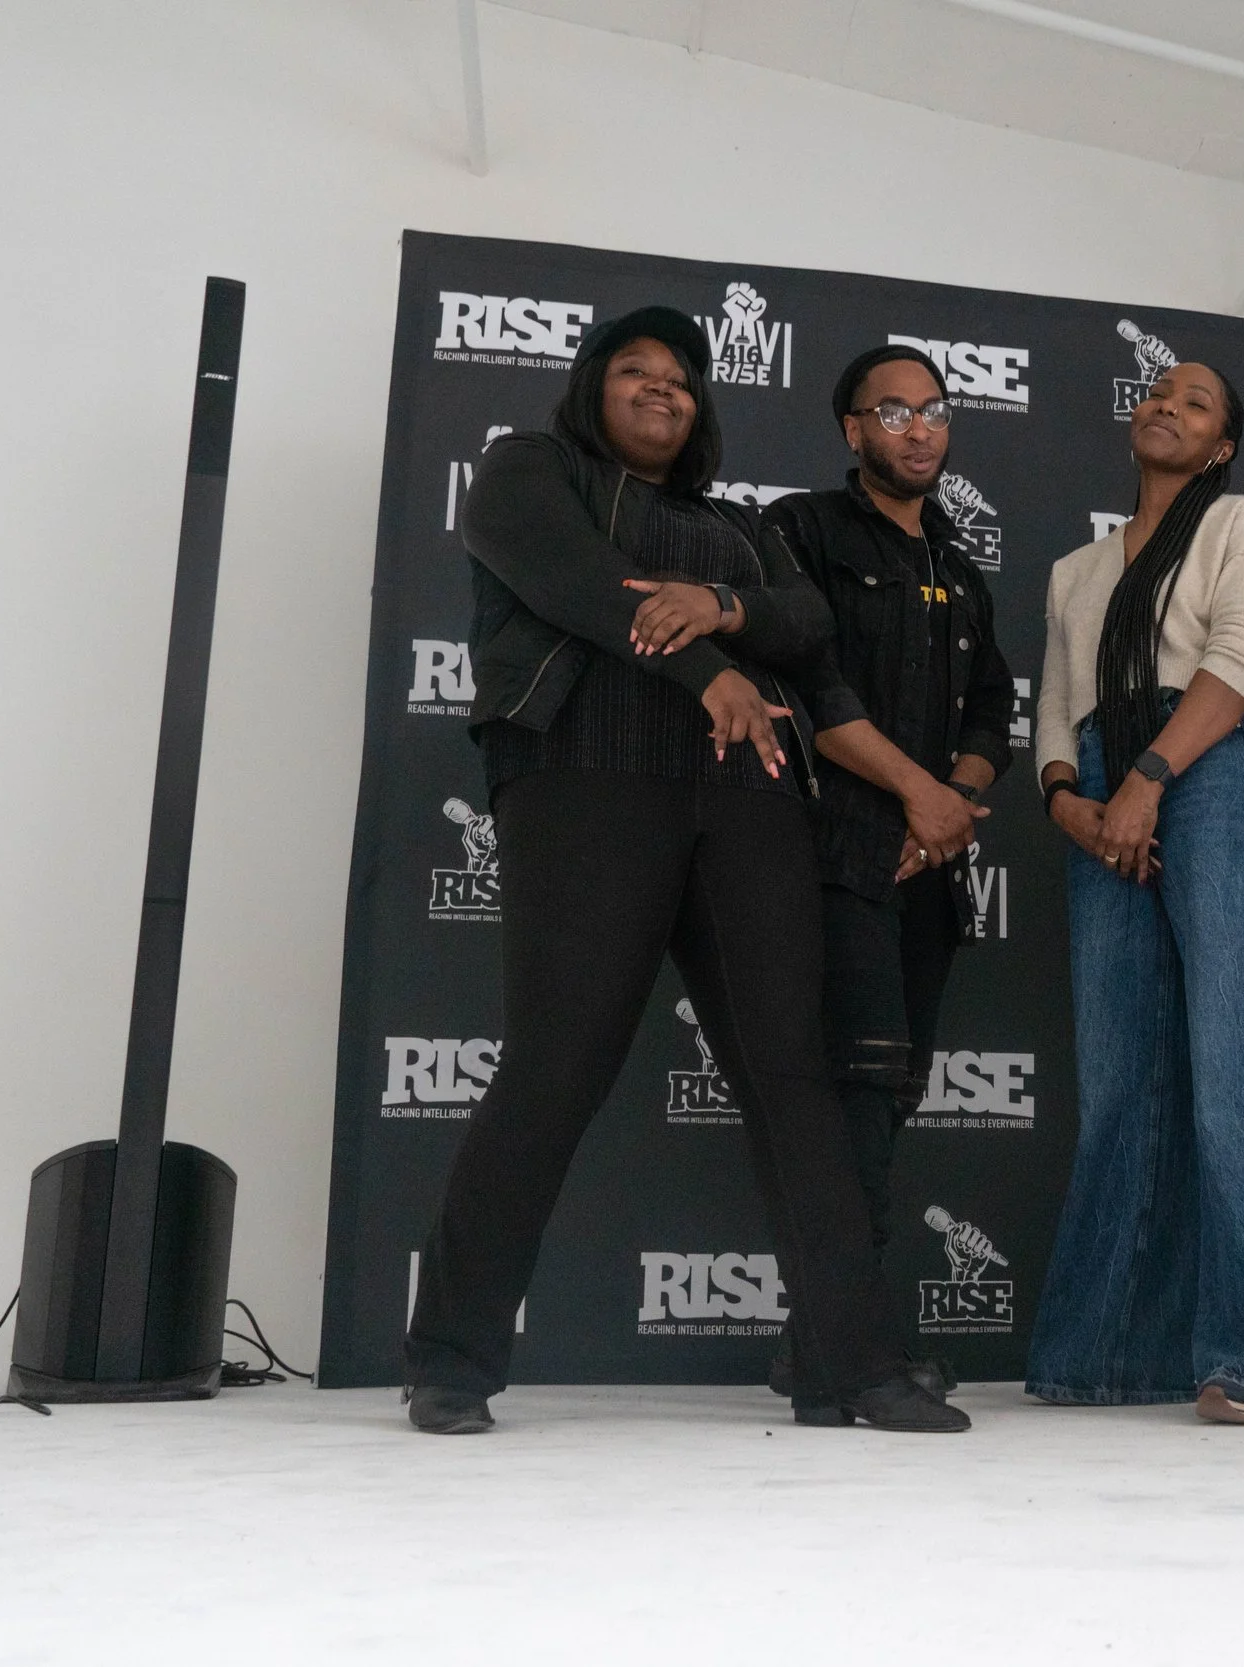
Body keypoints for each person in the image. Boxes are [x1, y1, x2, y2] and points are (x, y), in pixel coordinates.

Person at [402, 306, 968, 1436]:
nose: (664, 387)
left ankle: (849, 1366)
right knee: (556, 1065)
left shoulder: (736, 524)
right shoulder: (529, 470)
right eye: (637, 370)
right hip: (585, 782)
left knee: (790, 1075)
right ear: (590, 386)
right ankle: (451, 1360)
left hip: (747, 803)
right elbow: (576, 577)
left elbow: (806, 622)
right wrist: (708, 669)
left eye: (682, 377)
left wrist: (721, 603)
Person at [1027, 360, 1244, 1425]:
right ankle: (1110, 1353)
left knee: (1236, 1062)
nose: (1167, 405)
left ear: (1222, 444)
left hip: (1200, 766)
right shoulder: (1073, 568)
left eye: (1196, 402)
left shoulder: (1240, 519)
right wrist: (1068, 798)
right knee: (1122, 1076)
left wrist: (1150, 778)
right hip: (1102, 780)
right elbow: (1054, 705)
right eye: (1158, 392)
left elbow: (1242, 655)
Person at [760, 344, 1016, 1396]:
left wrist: (949, 804)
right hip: (830, 856)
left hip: (928, 868)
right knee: (851, 1094)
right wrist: (920, 794)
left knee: (889, 1095)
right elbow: (806, 687)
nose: (919, 428)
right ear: (852, 428)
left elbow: (990, 707)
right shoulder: (800, 529)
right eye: (895, 410)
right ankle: (846, 1345)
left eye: (935, 410)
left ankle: (822, 1337)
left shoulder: (959, 563)